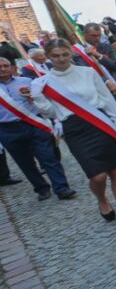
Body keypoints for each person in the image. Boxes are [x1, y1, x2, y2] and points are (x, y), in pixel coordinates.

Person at [30, 39, 116, 226]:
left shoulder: (88, 72)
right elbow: (51, 113)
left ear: (71, 53)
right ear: (47, 57)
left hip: (101, 124)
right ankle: (102, 200)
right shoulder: (45, 81)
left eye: (65, 54)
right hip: (74, 129)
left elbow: (106, 99)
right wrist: (37, 96)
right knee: (97, 175)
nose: (61, 59)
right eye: (55, 55)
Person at [0, 57, 74, 201]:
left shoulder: (26, 81)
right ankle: (41, 188)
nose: (2, 69)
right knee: (25, 162)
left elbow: (44, 99)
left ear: (12, 67)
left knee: (48, 156)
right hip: (7, 129)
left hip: (34, 124)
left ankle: (62, 188)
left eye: (5, 65)